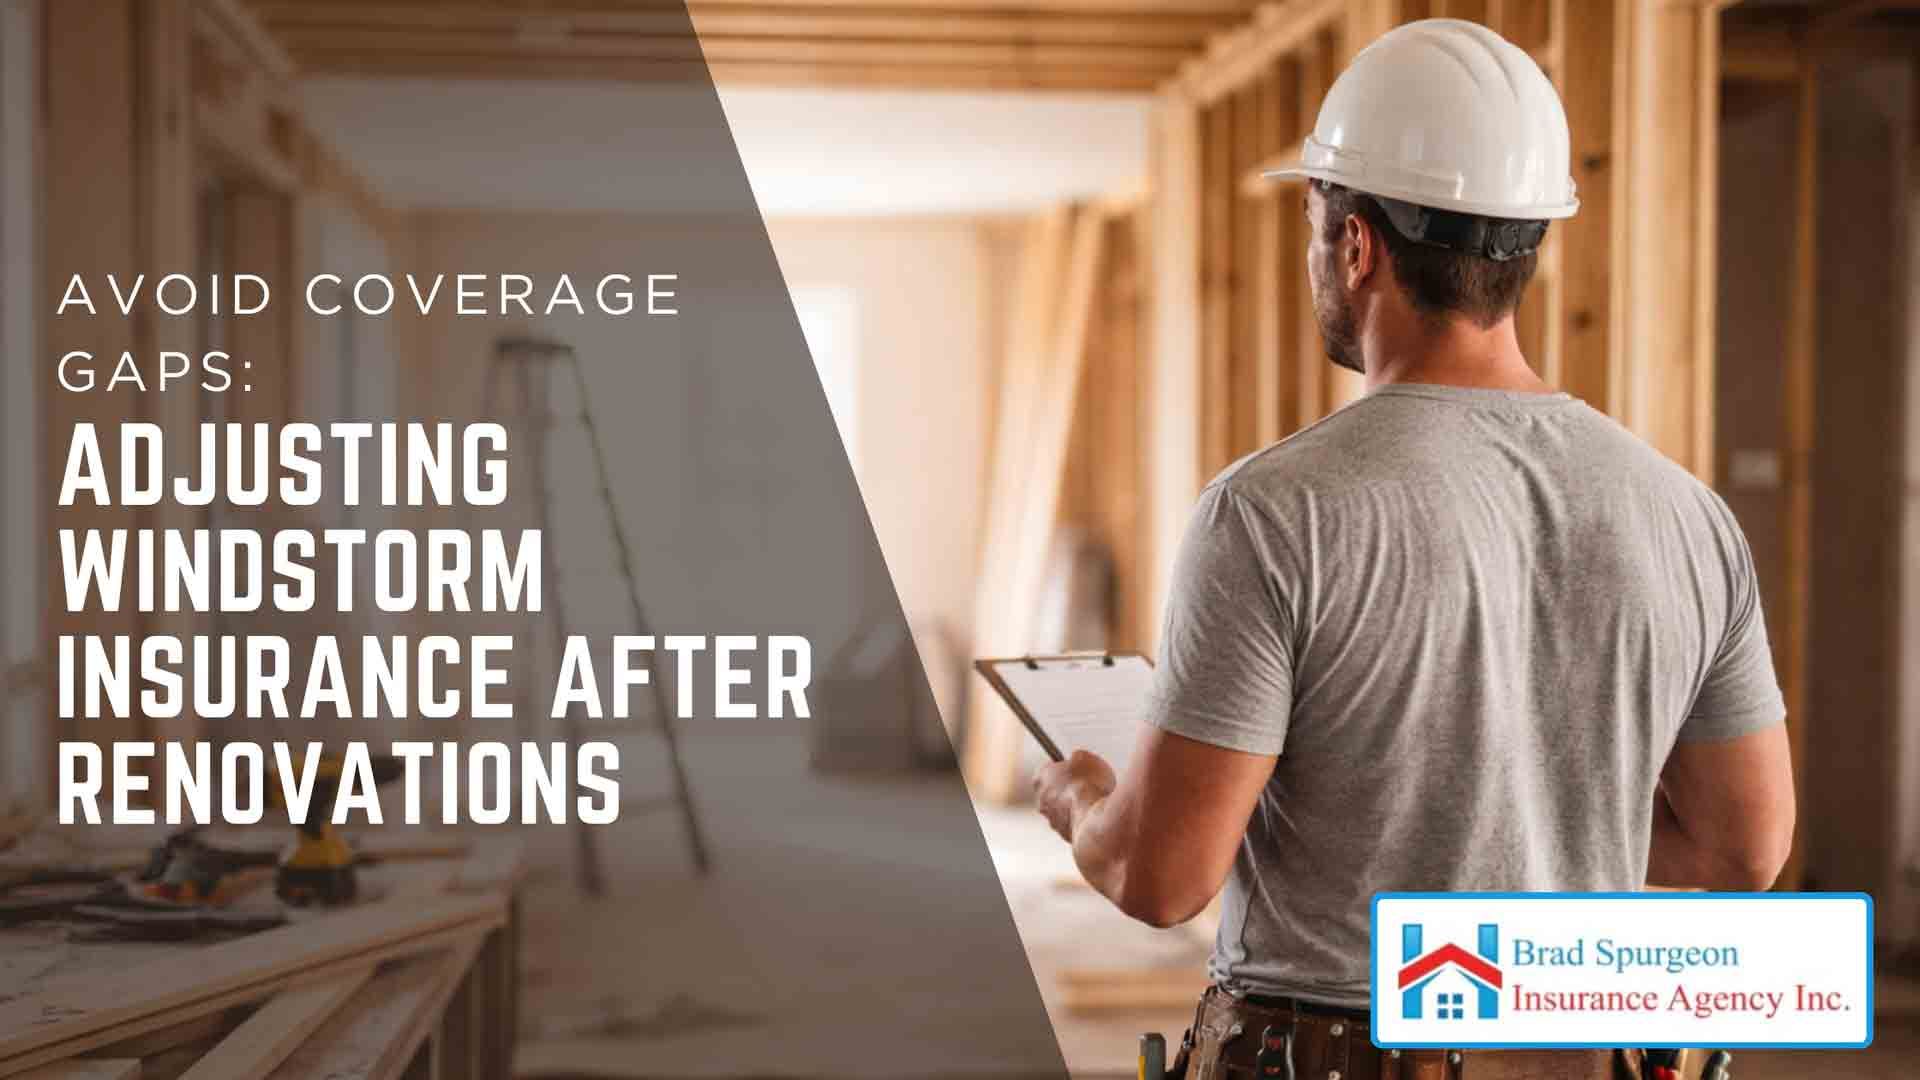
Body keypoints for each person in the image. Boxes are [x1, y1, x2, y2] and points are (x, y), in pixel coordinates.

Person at [1030, 19, 1795, 1080]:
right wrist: (1527, 827)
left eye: (1313, 222)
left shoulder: (1270, 512)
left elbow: (1163, 879)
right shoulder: (1687, 514)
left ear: (1358, 244)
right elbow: (1744, 848)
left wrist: (1081, 799)